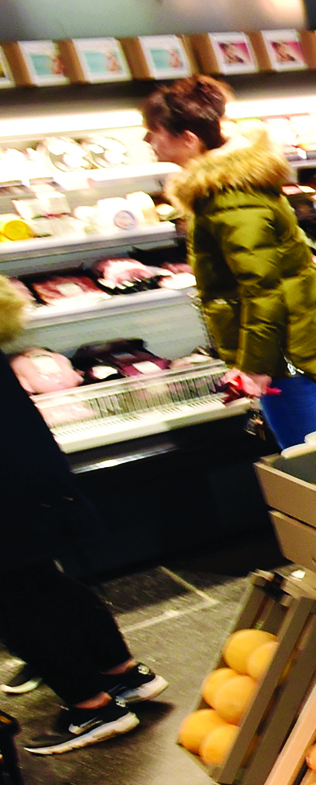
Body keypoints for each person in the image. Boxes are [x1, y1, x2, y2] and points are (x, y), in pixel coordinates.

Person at [0, 278, 168, 755]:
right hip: (31, 488)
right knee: (42, 584)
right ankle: (121, 674)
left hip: (8, 498)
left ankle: (92, 709)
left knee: (17, 604)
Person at [144, 75, 316, 446]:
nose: (148, 141)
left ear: (188, 139)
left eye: (153, 131)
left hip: (282, 353)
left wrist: (256, 367)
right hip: (282, 344)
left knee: (305, 458)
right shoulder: (229, 189)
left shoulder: (231, 198)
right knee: (304, 450)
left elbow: (263, 290)